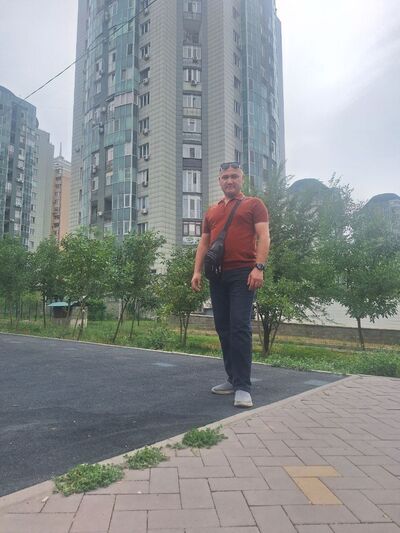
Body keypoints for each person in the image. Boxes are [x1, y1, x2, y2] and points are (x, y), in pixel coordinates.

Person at [191, 162, 270, 407]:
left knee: (239, 328)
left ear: (241, 179)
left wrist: (259, 267)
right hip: (217, 276)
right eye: (225, 177)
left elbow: (264, 236)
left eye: (234, 176)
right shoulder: (212, 211)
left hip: (243, 273)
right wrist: (196, 271)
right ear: (219, 181)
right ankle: (232, 379)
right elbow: (204, 243)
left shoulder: (254, 204)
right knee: (223, 328)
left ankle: (243, 387)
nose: (229, 181)